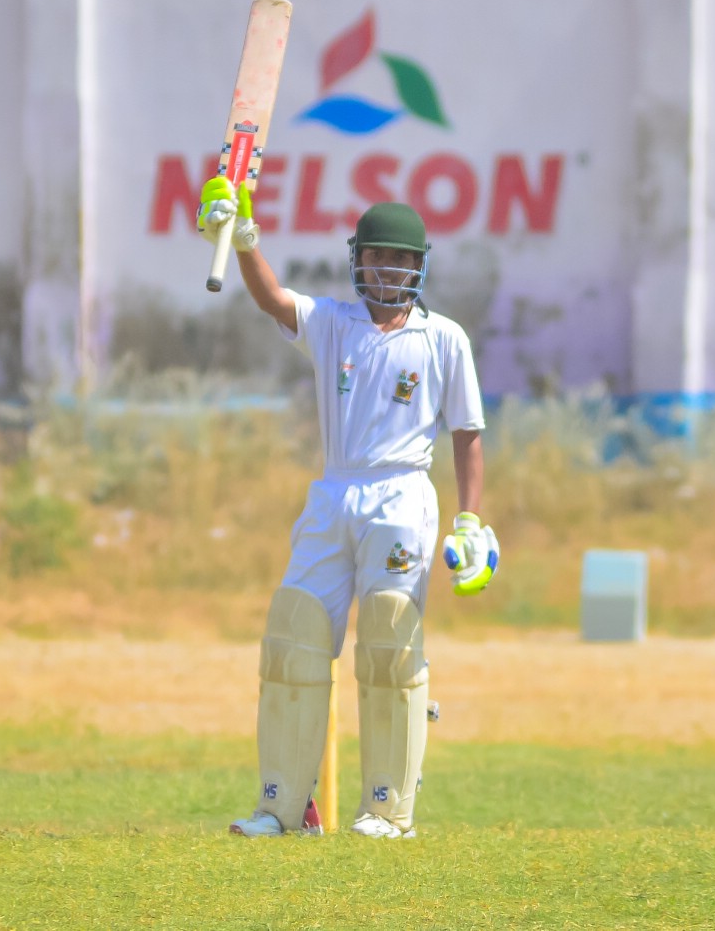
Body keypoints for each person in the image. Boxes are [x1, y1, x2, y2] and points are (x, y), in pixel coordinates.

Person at [196, 174, 500, 840]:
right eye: (376, 255)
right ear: (357, 259)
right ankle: (284, 808)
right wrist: (243, 238)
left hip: (402, 494)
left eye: (400, 258)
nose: (387, 268)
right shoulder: (333, 323)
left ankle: (388, 811)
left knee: (389, 639)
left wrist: (470, 520)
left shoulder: (444, 338)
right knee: (292, 638)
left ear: (420, 265)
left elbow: (467, 435)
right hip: (334, 492)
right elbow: (273, 298)